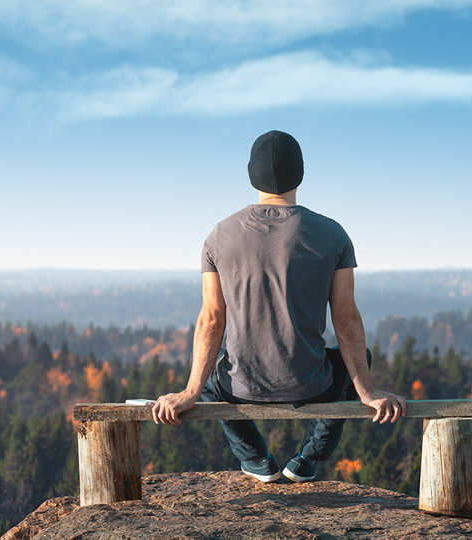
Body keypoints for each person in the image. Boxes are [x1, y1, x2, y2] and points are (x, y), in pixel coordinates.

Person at [152, 130, 406, 483]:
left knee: (210, 380)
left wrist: (189, 391)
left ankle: (256, 459)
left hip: (240, 386)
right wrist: (366, 391)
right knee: (358, 361)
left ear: (251, 174)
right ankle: (307, 459)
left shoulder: (219, 235)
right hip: (311, 385)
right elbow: (346, 319)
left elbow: (212, 320)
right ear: (300, 173)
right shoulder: (332, 234)